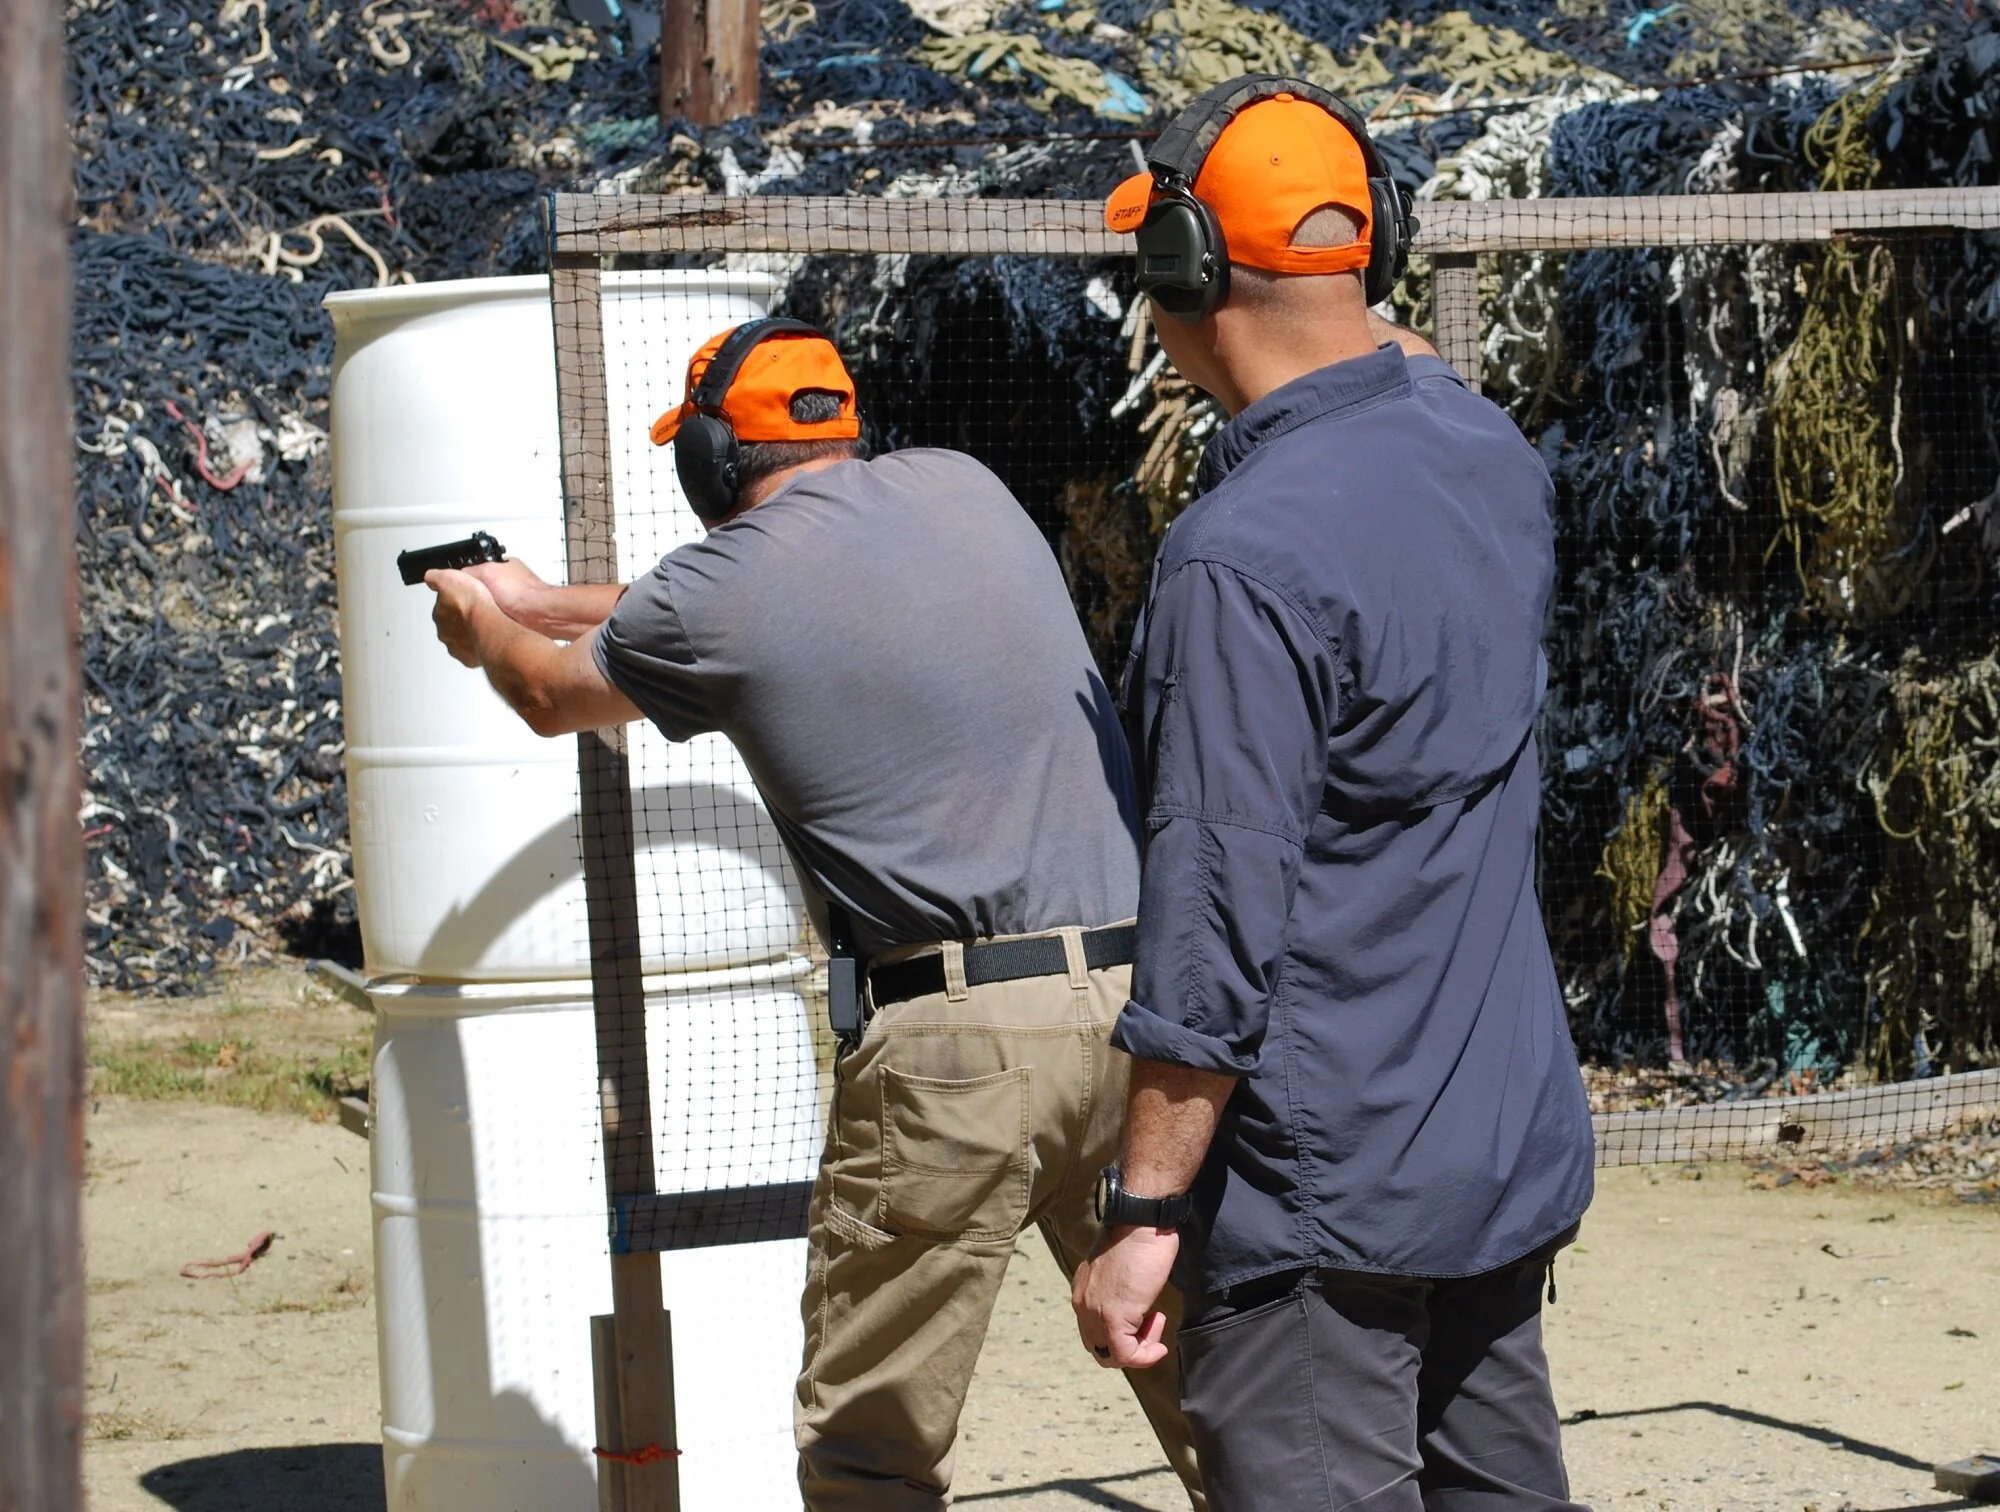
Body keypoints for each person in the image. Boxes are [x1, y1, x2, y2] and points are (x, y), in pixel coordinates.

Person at [423, 319, 1206, 1512]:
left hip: (957, 1052)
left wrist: (487, 627)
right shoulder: (961, 488)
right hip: (1138, 1014)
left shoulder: (716, 591)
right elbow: (748, 596)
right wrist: (545, 593)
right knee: (1214, 1386)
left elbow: (547, 694)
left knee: (869, 1453)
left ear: (708, 455)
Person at [1069, 76, 1598, 1512]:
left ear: (1187, 272)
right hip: (1493, 1156)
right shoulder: (1487, 453)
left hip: (1325, 1197)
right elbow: (1402, 371)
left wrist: (1145, 1210)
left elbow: (1213, 930)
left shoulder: (1236, 561)